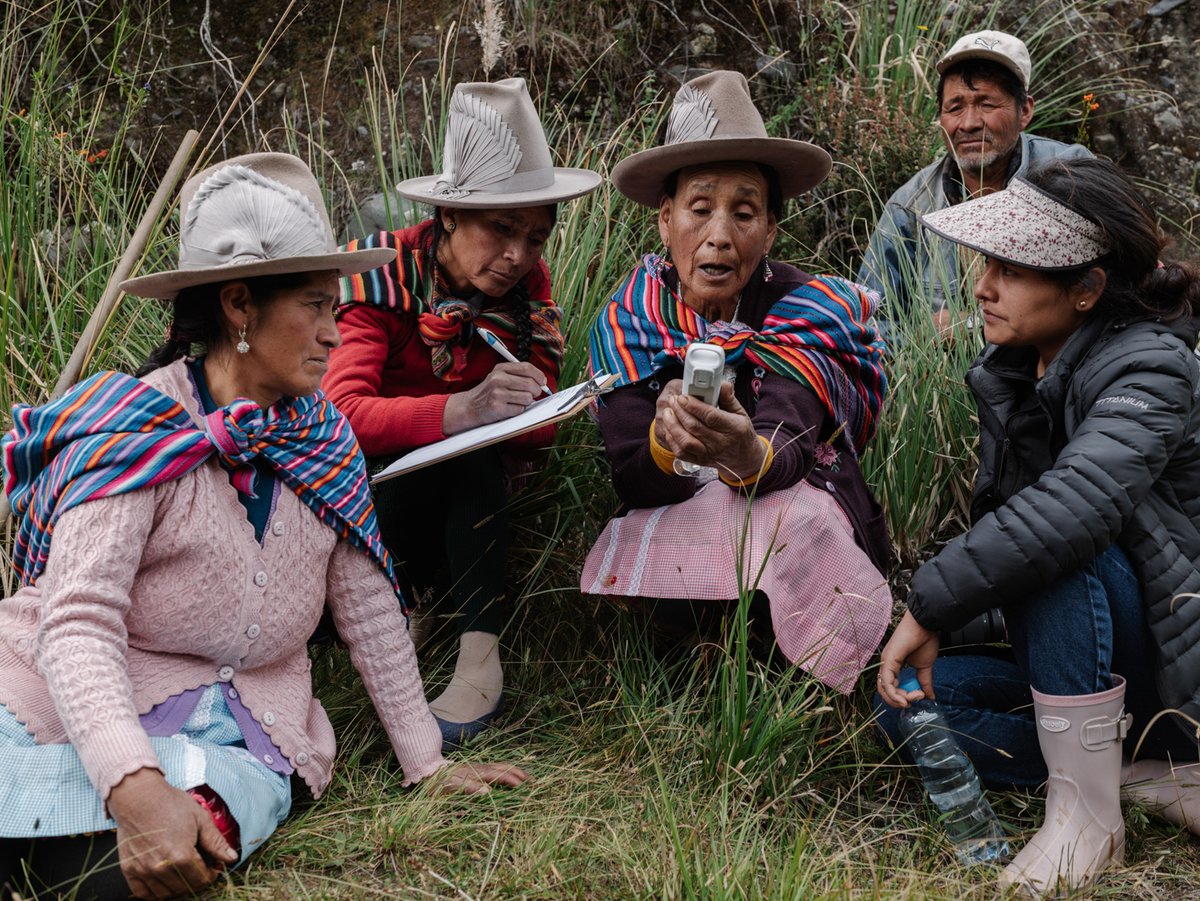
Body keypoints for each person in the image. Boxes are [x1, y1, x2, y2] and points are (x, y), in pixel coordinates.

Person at [0, 153, 527, 901]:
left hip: (236, 728)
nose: (334, 334)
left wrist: (428, 764)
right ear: (240, 305)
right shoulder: (138, 427)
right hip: (67, 691)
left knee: (153, 864)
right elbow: (78, 623)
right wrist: (135, 784)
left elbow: (372, 610)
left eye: (335, 309)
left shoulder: (324, 440)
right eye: (315, 306)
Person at [875, 157, 1200, 894]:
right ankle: (1147, 775)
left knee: (1058, 547)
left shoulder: (1153, 368)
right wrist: (926, 625)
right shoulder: (1023, 370)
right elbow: (1015, 559)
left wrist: (933, 598)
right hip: (1093, 667)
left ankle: (1086, 813)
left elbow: (1065, 517)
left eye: (1012, 270)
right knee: (912, 705)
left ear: (1086, 289)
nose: (982, 285)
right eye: (987, 263)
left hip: (1173, 668)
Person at [580, 71, 893, 693]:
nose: (720, 234)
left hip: (794, 508)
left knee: (783, 511)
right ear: (665, 222)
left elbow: (790, 432)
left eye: (744, 213)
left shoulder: (808, 309)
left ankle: (808, 673)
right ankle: (690, 660)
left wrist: (742, 450)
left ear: (770, 231)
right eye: (700, 209)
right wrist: (669, 444)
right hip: (680, 515)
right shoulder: (630, 321)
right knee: (676, 516)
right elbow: (630, 473)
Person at [324, 78, 600, 747]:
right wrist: (459, 409)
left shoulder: (529, 289)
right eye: (501, 229)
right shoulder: (381, 273)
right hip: (360, 506)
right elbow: (340, 415)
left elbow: (541, 420)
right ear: (448, 214)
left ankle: (480, 653)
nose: (518, 257)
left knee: (475, 452)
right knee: (465, 441)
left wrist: (508, 413)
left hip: (470, 502)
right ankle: (401, 610)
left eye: (536, 236)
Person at [857, 29, 1092, 325]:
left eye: (987, 104)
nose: (968, 123)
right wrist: (922, 339)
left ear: (1025, 111)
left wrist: (968, 326)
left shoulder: (1071, 172)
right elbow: (869, 321)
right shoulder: (910, 205)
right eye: (954, 107)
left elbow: (1113, 283)